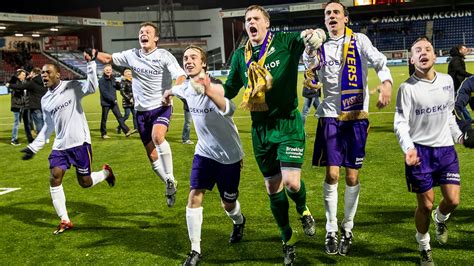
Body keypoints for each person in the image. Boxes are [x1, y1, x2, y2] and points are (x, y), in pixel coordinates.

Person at [223, 5, 319, 265]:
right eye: (247, 20)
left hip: (287, 123)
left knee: (292, 184)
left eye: (255, 18)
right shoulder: (241, 56)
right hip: (261, 129)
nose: (250, 23)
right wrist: (206, 90)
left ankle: (303, 209)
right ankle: (287, 239)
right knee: (272, 187)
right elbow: (229, 88)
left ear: (266, 23)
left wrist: (314, 36)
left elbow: (309, 39)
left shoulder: (285, 41)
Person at [304, 0, 392, 256]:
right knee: (332, 174)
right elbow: (310, 78)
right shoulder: (318, 47)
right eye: (327, 14)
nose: (331, 16)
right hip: (330, 117)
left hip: (355, 115)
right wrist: (309, 52)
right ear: (325, 21)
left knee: (352, 176)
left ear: (345, 18)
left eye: (336, 13)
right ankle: (331, 228)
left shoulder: (359, 41)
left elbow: (379, 61)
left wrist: (386, 83)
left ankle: (348, 226)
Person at [163, 45, 245, 266]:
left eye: (193, 57)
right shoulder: (186, 87)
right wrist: (167, 93)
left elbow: (230, 109)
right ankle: (195, 250)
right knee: (194, 196)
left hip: (229, 156)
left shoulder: (215, 86)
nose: (188, 61)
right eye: (185, 58)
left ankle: (239, 221)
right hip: (204, 153)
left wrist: (208, 90)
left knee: (228, 204)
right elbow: (175, 90)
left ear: (204, 63)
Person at [19, 54, 117, 235]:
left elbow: (92, 87)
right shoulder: (45, 100)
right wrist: (34, 147)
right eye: (42, 73)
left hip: (80, 143)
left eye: (48, 72)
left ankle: (105, 172)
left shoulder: (71, 87)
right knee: (54, 176)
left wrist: (90, 64)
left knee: (85, 183)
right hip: (60, 146)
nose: (44, 75)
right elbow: (48, 126)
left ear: (58, 74)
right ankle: (64, 219)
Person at [93, 21, 186, 207]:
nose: (143, 34)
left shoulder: (164, 56)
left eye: (148, 32)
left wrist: (172, 92)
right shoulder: (131, 55)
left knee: (158, 137)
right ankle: (170, 183)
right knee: (152, 155)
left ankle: (170, 177)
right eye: (141, 32)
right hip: (141, 112)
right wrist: (93, 54)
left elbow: (180, 75)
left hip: (161, 105)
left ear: (156, 38)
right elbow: (108, 58)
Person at [394, 36, 463, 266]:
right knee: (425, 204)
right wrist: (409, 148)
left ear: (435, 56)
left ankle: (440, 219)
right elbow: (400, 123)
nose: (423, 53)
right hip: (420, 153)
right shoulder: (407, 88)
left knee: (452, 201)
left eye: (428, 49)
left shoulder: (446, 82)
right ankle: (424, 244)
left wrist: (459, 136)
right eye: (418, 51)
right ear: (412, 60)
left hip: (445, 150)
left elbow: (450, 114)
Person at [7, 67, 47, 138]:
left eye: (31, 73)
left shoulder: (32, 82)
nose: (26, 75)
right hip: (42, 104)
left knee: (38, 122)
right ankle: (44, 136)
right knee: (42, 121)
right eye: (23, 74)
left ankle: (41, 138)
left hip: (33, 105)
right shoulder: (44, 81)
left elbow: (21, 86)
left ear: (34, 73)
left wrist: (9, 85)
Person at [98, 64, 131, 139]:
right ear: (104, 71)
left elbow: (117, 87)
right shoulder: (101, 80)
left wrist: (119, 84)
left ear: (111, 70)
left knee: (119, 117)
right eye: (107, 70)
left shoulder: (113, 78)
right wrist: (113, 100)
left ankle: (126, 131)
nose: (108, 71)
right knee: (104, 119)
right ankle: (103, 134)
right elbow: (104, 92)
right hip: (106, 103)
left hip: (113, 102)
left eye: (109, 70)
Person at [448, 44, 472, 122]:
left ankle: (467, 119)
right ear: (460, 50)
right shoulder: (456, 59)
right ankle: (460, 119)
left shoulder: (458, 59)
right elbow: (460, 71)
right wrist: (471, 76)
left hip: (457, 84)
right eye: (464, 49)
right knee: (459, 103)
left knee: (460, 103)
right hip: (456, 84)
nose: (466, 50)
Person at [117, 68, 138, 134]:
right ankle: (119, 126)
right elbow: (122, 92)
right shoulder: (123, 82)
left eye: (130, 74)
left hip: (134, 101)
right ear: (125, 75)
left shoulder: (133, 81)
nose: (130, 75)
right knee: (127, 115)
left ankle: (136, 128)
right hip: (127, 101)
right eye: (128, 74)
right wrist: (129, 98)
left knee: (135, 115)